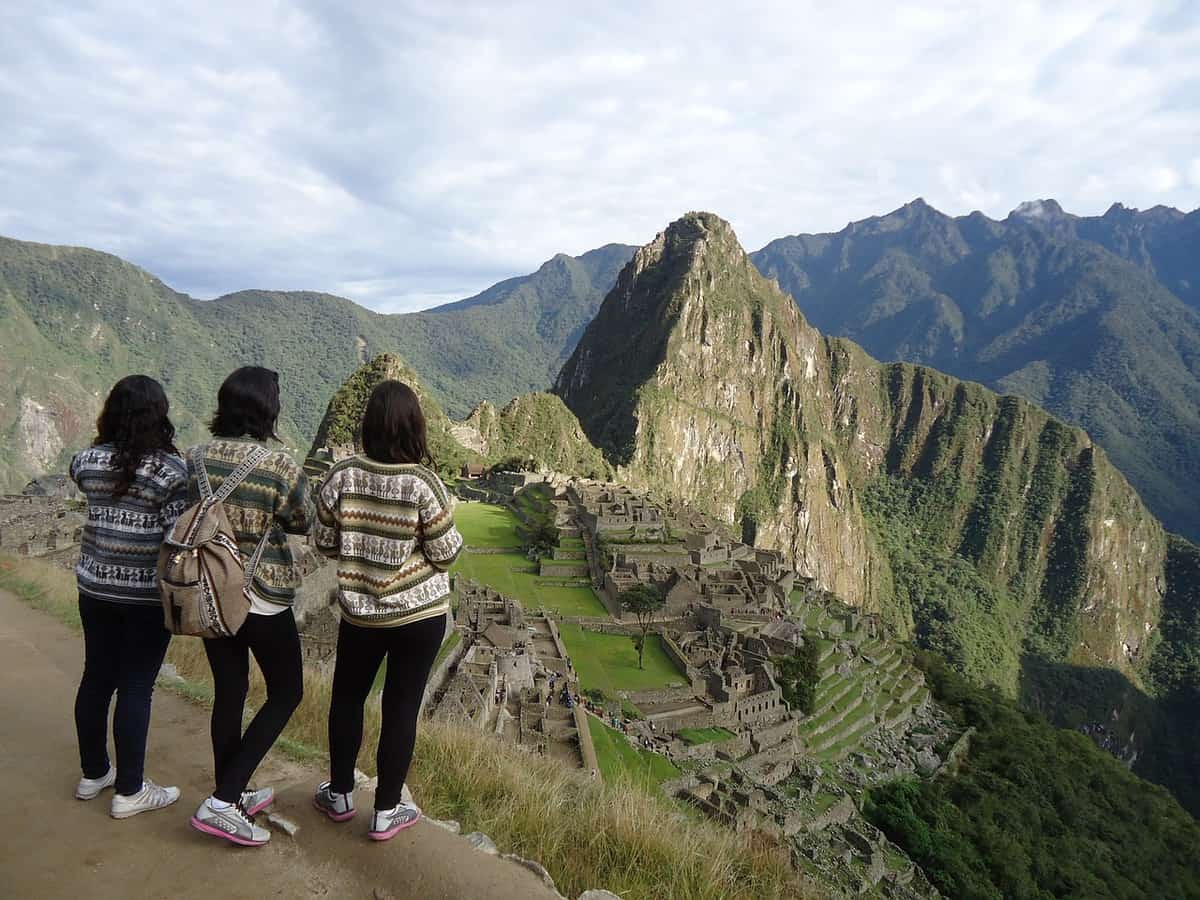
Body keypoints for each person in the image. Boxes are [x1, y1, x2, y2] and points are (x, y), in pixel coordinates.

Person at [311, 380, 463, 841]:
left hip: (361, 615)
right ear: (415, 427)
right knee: (400, 709)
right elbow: (448, 553)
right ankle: (387, 809)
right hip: (419, 618)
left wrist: (361, 546)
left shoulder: (342, 475)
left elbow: (322, 541)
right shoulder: (422, 482)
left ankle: (339, 793)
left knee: (348, 699)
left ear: (368, 426)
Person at [187, 367, 314, 847]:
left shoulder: (196, 459)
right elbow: (304, 520)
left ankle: (232, 795)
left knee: (230, 692)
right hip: (261, 598)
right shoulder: (278, 466)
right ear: (267, 410)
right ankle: (222, 800)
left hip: (211, 596)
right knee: (286, 692)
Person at [70, 375, 187, 818]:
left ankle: (94, 772)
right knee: (136, 685)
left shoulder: (86, 461)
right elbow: (177, 535)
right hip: (143, 596)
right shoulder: (170, 473)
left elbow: (84, 478)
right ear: (159, 415)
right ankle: (131, 789)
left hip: (94, 587)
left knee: (96, 677)